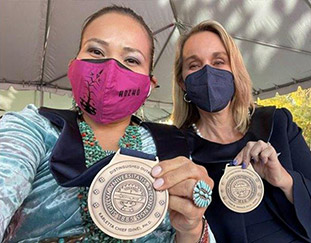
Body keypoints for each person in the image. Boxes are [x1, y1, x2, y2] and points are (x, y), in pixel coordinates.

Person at [0, 6, 215, 242]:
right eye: (96, 51)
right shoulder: (35, 128)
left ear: (149, 85)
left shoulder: (172, 145)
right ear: (73, 66)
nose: (111, 67)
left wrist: (191, 229)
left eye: (131, 59)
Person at [171, 20, 311, 242]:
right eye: (194, 65)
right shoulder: (177, 149)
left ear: (234, 70)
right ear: (182, 82)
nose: (208, 72)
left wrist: (285, 180)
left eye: (219, 61)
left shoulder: (276, 124)